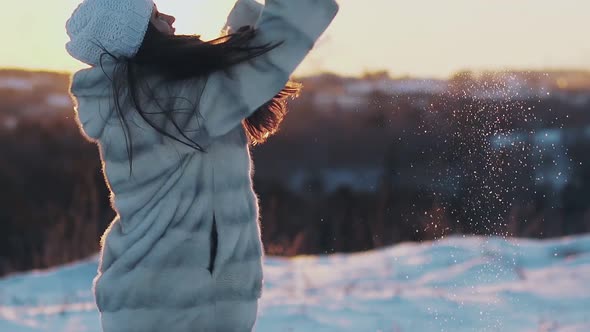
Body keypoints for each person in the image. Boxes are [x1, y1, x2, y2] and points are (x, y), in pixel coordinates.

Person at [65, 0, 338, 330]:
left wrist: (245, 26)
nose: (170, 17)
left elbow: (235, 79)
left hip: (154, 297)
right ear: (137, 36)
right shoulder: (173, 102)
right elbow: (266, 62)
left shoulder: (142, 100)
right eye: (154, 16)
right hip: (181, 304)